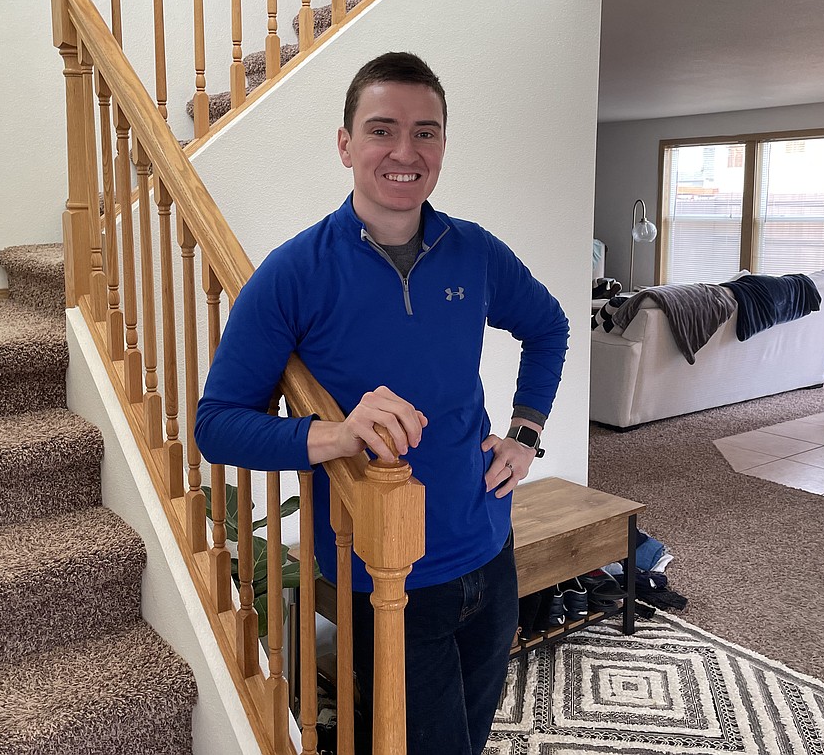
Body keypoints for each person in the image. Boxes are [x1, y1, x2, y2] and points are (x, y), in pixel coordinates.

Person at [195, 51, 569, 755]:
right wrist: (336, 435)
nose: (405, 151)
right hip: (385, 577)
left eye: (426, 132)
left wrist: (525, 432)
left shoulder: (474, 252)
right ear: (345, 144)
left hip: (489, 549)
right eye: (382, 129)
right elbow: (217, 426)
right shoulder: (293, 273)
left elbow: (548, 326)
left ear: (443, 147)